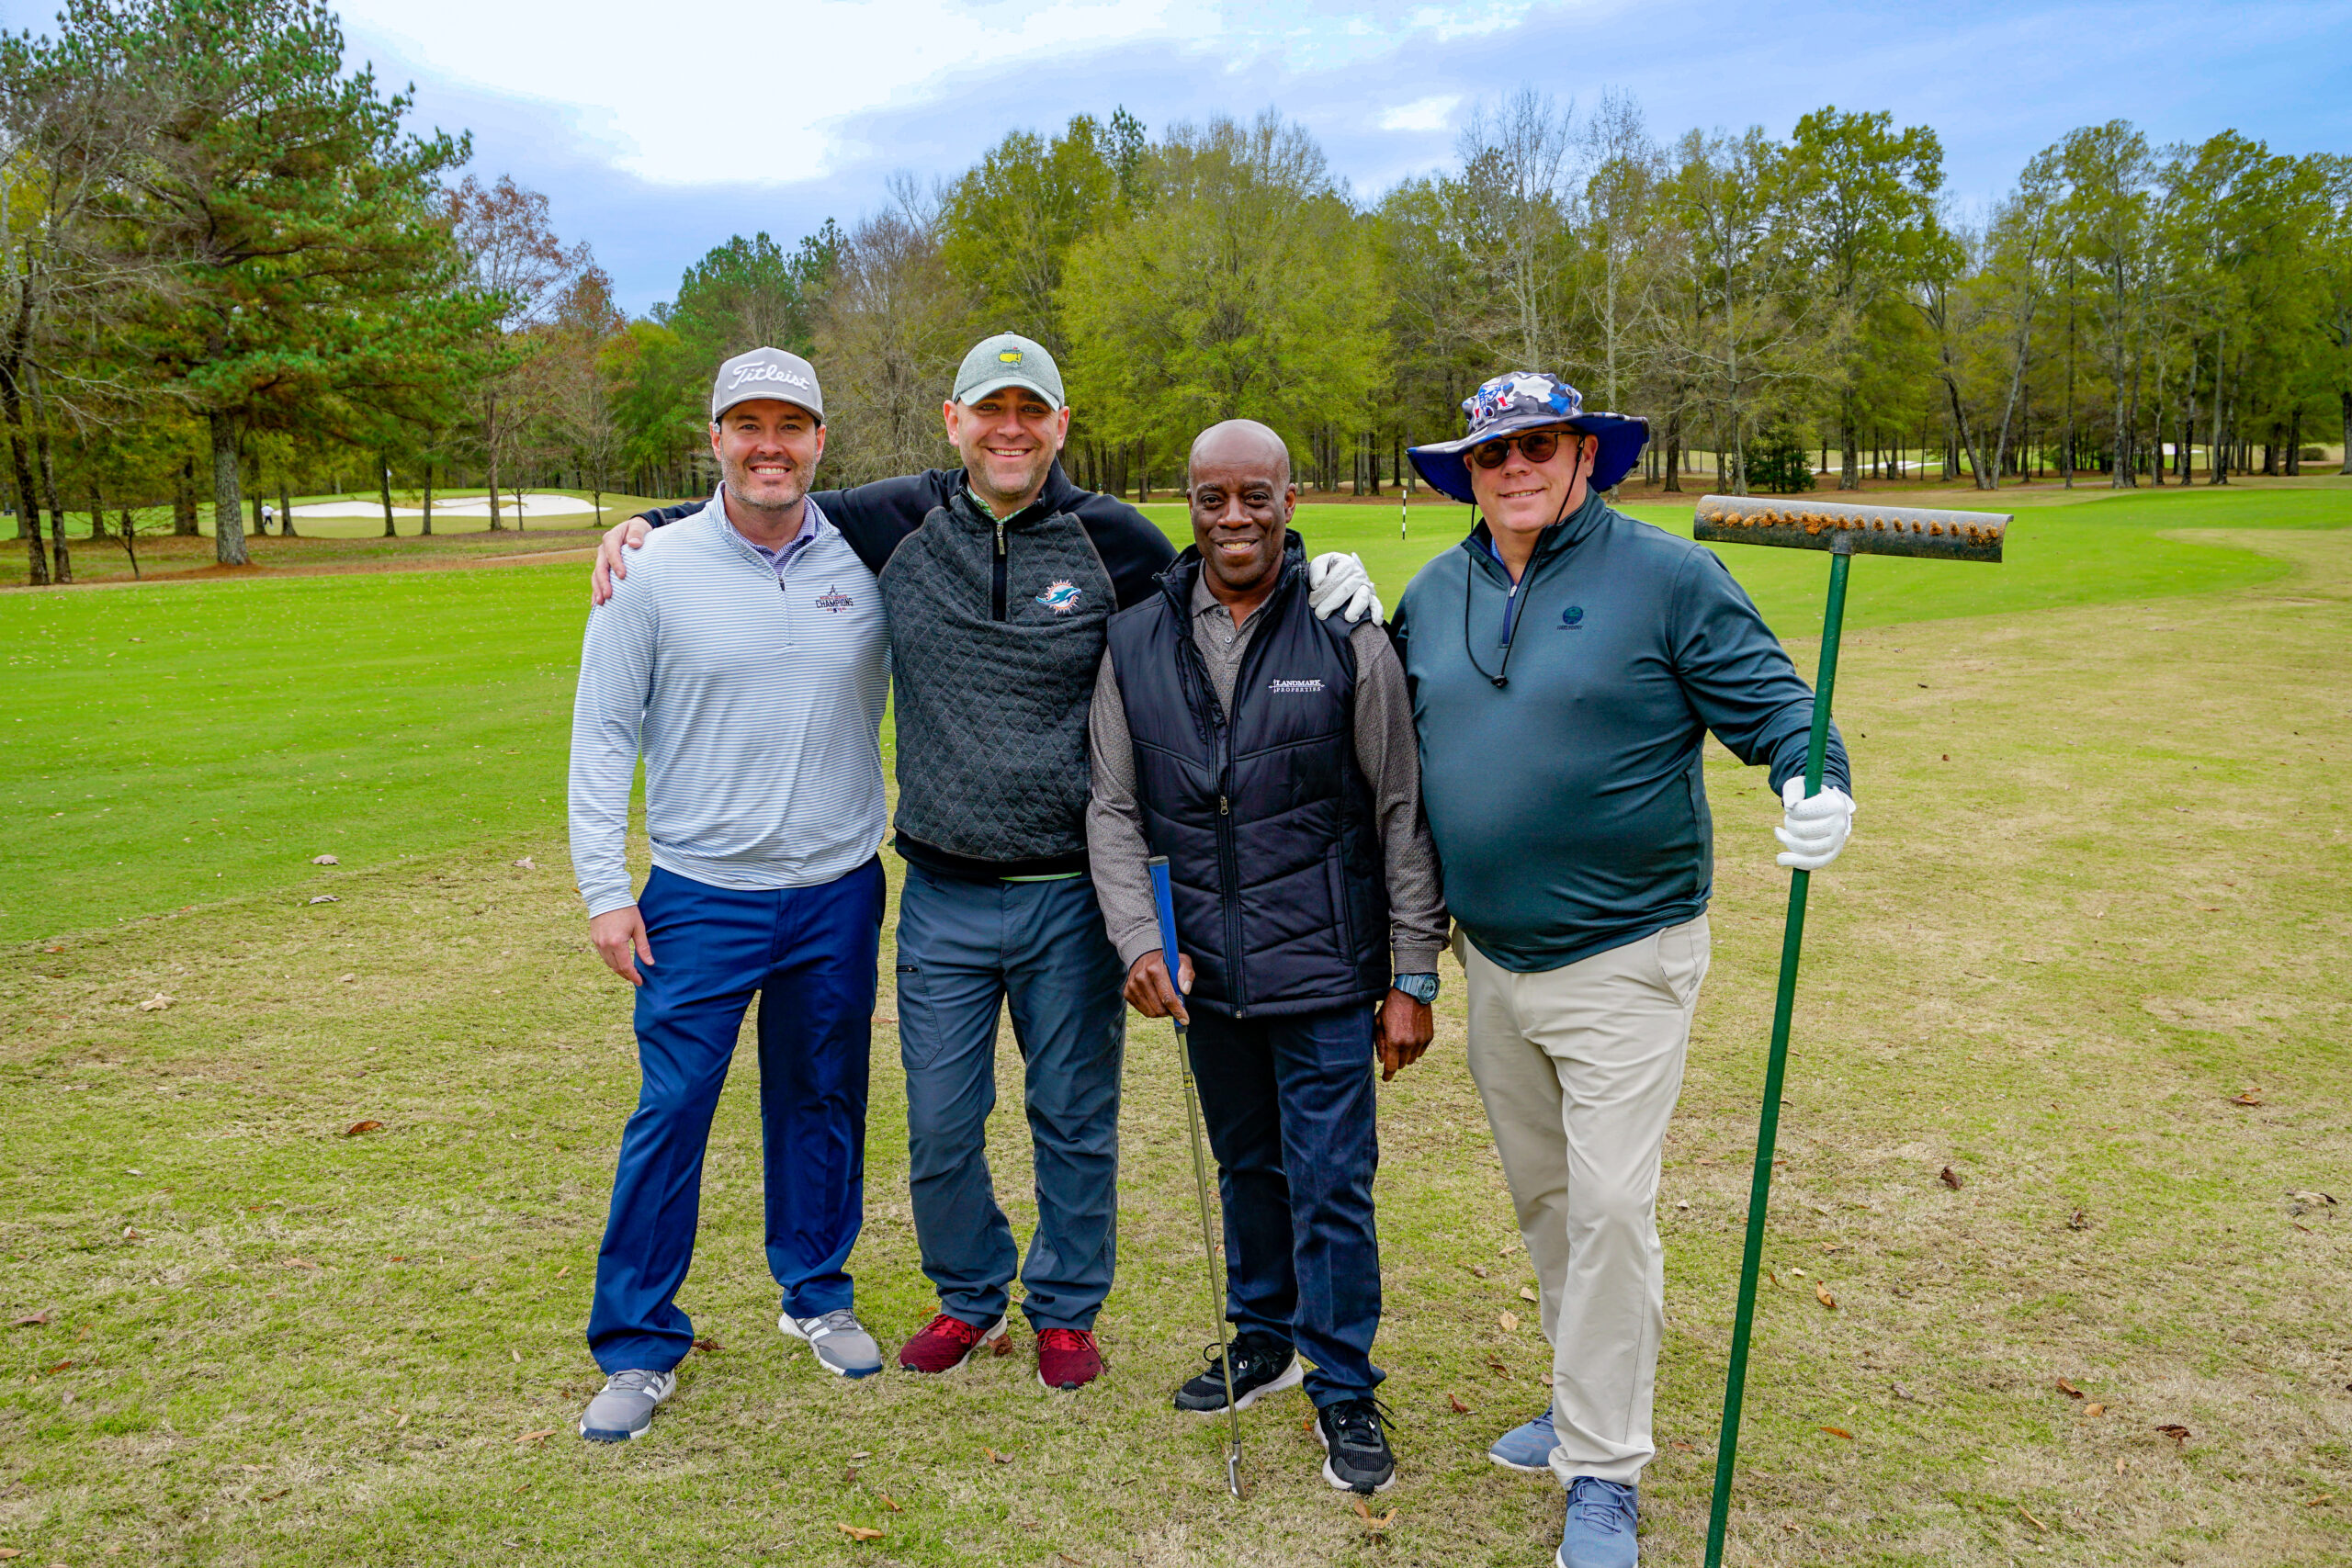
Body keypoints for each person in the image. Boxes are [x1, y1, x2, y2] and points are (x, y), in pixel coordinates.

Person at [592, 334, 1383, 1392]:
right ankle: (969, 1295)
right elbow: (767, 499)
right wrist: (649, 525)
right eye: (988, 410)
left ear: (1059, 425)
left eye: (1032, 410)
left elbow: (1230, 561)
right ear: (954, 422)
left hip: (1068, 895)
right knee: (939, 1119)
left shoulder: (1112, 538)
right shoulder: (896, 517)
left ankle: (1063, 1306)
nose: (1009, 429)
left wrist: (1323, 568)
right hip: (942, 892)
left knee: (1071, 1115)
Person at [1394, 372, 1855, 1567]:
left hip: (1628, 956)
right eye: (1493, 452)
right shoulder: (1434, 592)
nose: (1517, 467)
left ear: (1584, 454)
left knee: (1607, 1205)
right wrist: (1327, 612)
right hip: (1491, 957)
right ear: (1468, 471)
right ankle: (1585, 1389)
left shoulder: (1667, 576)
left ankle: (1602, 1464)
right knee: (1552, 1203)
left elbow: (1776, 706)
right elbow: (1380, 732)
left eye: (1540, 444)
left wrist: (1821, 777)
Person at [1087, 420, 1446, 1493]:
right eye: (1210, 498)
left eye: (1255, 496)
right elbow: (1111, 807)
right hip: (1209, 971)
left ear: (1289, 501)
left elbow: (1400, 809)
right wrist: (1140, 941)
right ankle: (1264, 1336)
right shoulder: (1134, 637)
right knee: (1247, 1166)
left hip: (1331, 969)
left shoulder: (1351, 632)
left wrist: (1412, 974)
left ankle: (1341, 1381)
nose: (1232, 517)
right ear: (1186, 507)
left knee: (1331, 1182)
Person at [569, 348, 891, 1443]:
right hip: (701, 895)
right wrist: (605, 891)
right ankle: (637, 1342)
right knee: (672, 1114)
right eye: (746, 424)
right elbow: (604, 731)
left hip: (839, 888)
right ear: (713, 439)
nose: (769, 445)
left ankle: (816, 1291)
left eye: (789, 426)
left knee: (820, 1098)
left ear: (817, 441)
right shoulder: (650, 567)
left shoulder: (866, 556)